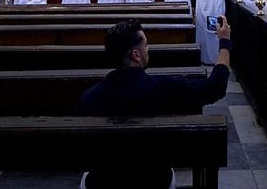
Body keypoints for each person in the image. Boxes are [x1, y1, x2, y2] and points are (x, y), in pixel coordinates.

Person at [77, 18, 232, 189]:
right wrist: (224, 42)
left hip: (103, 182)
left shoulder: (89, 98)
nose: (148, 49)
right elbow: (215, 88)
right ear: (136, 55)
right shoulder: (163, 89)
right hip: (155, 180)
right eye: (146, 45)